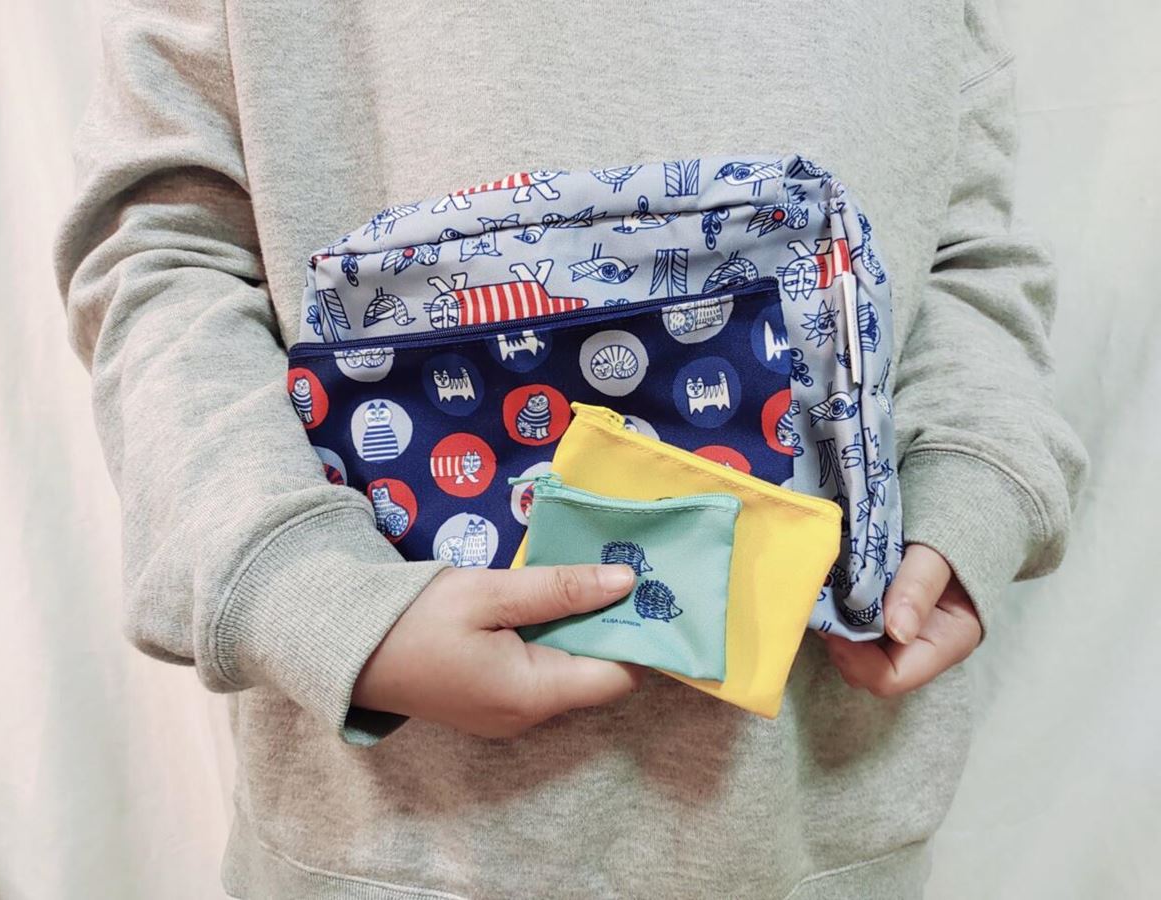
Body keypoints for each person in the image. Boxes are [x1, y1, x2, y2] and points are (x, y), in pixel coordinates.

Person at [53, 1, 1087, 897]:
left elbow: (965, 257)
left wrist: (968, 494)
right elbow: (161, 251)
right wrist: (320, 599)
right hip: (401, 848)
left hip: (825, 834)